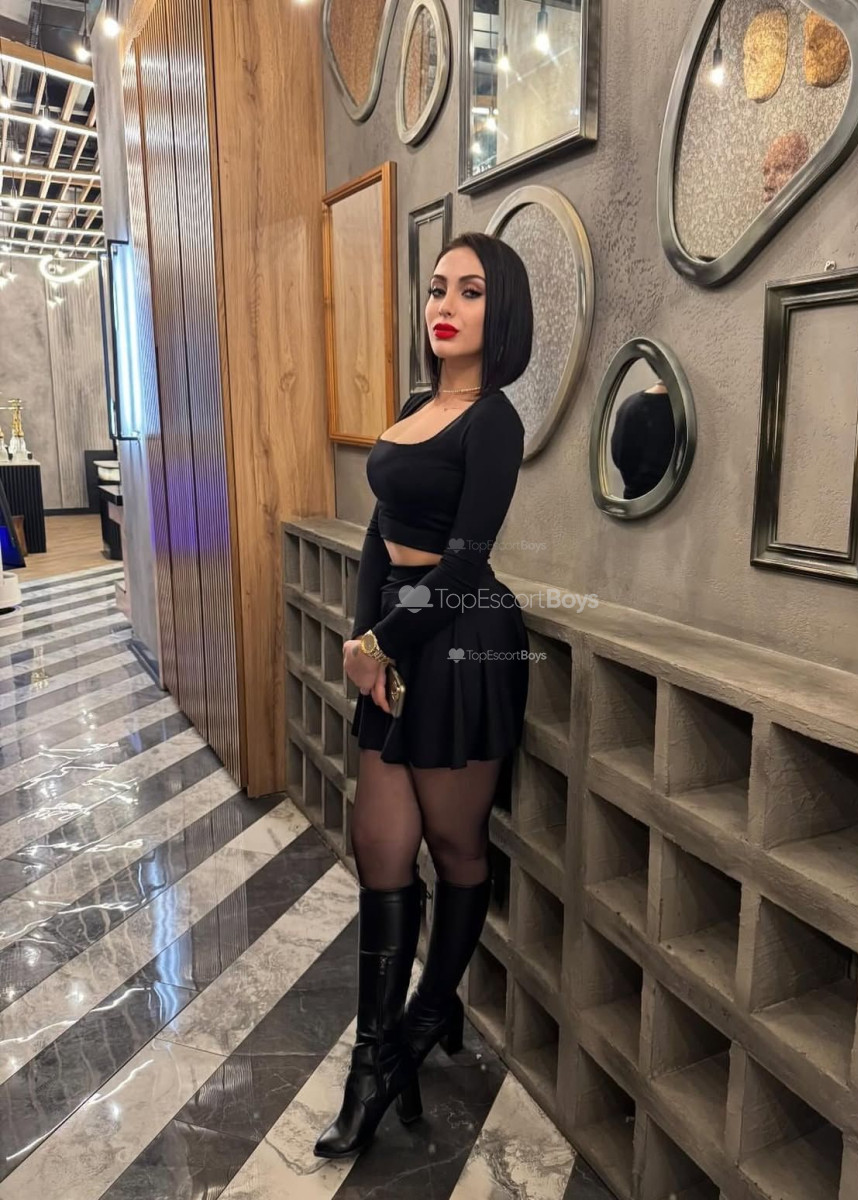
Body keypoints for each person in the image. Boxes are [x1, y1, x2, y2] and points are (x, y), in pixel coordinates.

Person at [314, 232, 534, 1158]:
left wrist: (382, 643)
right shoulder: (415, 406)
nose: (445, 304)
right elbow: (380, 531)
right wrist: (362, 638)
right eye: (439, 287)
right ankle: (375, 1061)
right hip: (397, 640)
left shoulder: (495, 422)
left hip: (462, 640)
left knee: (454, 846)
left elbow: (466, 564)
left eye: (471, 291)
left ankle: (430, 1011)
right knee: (381, 849)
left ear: (502, 311)